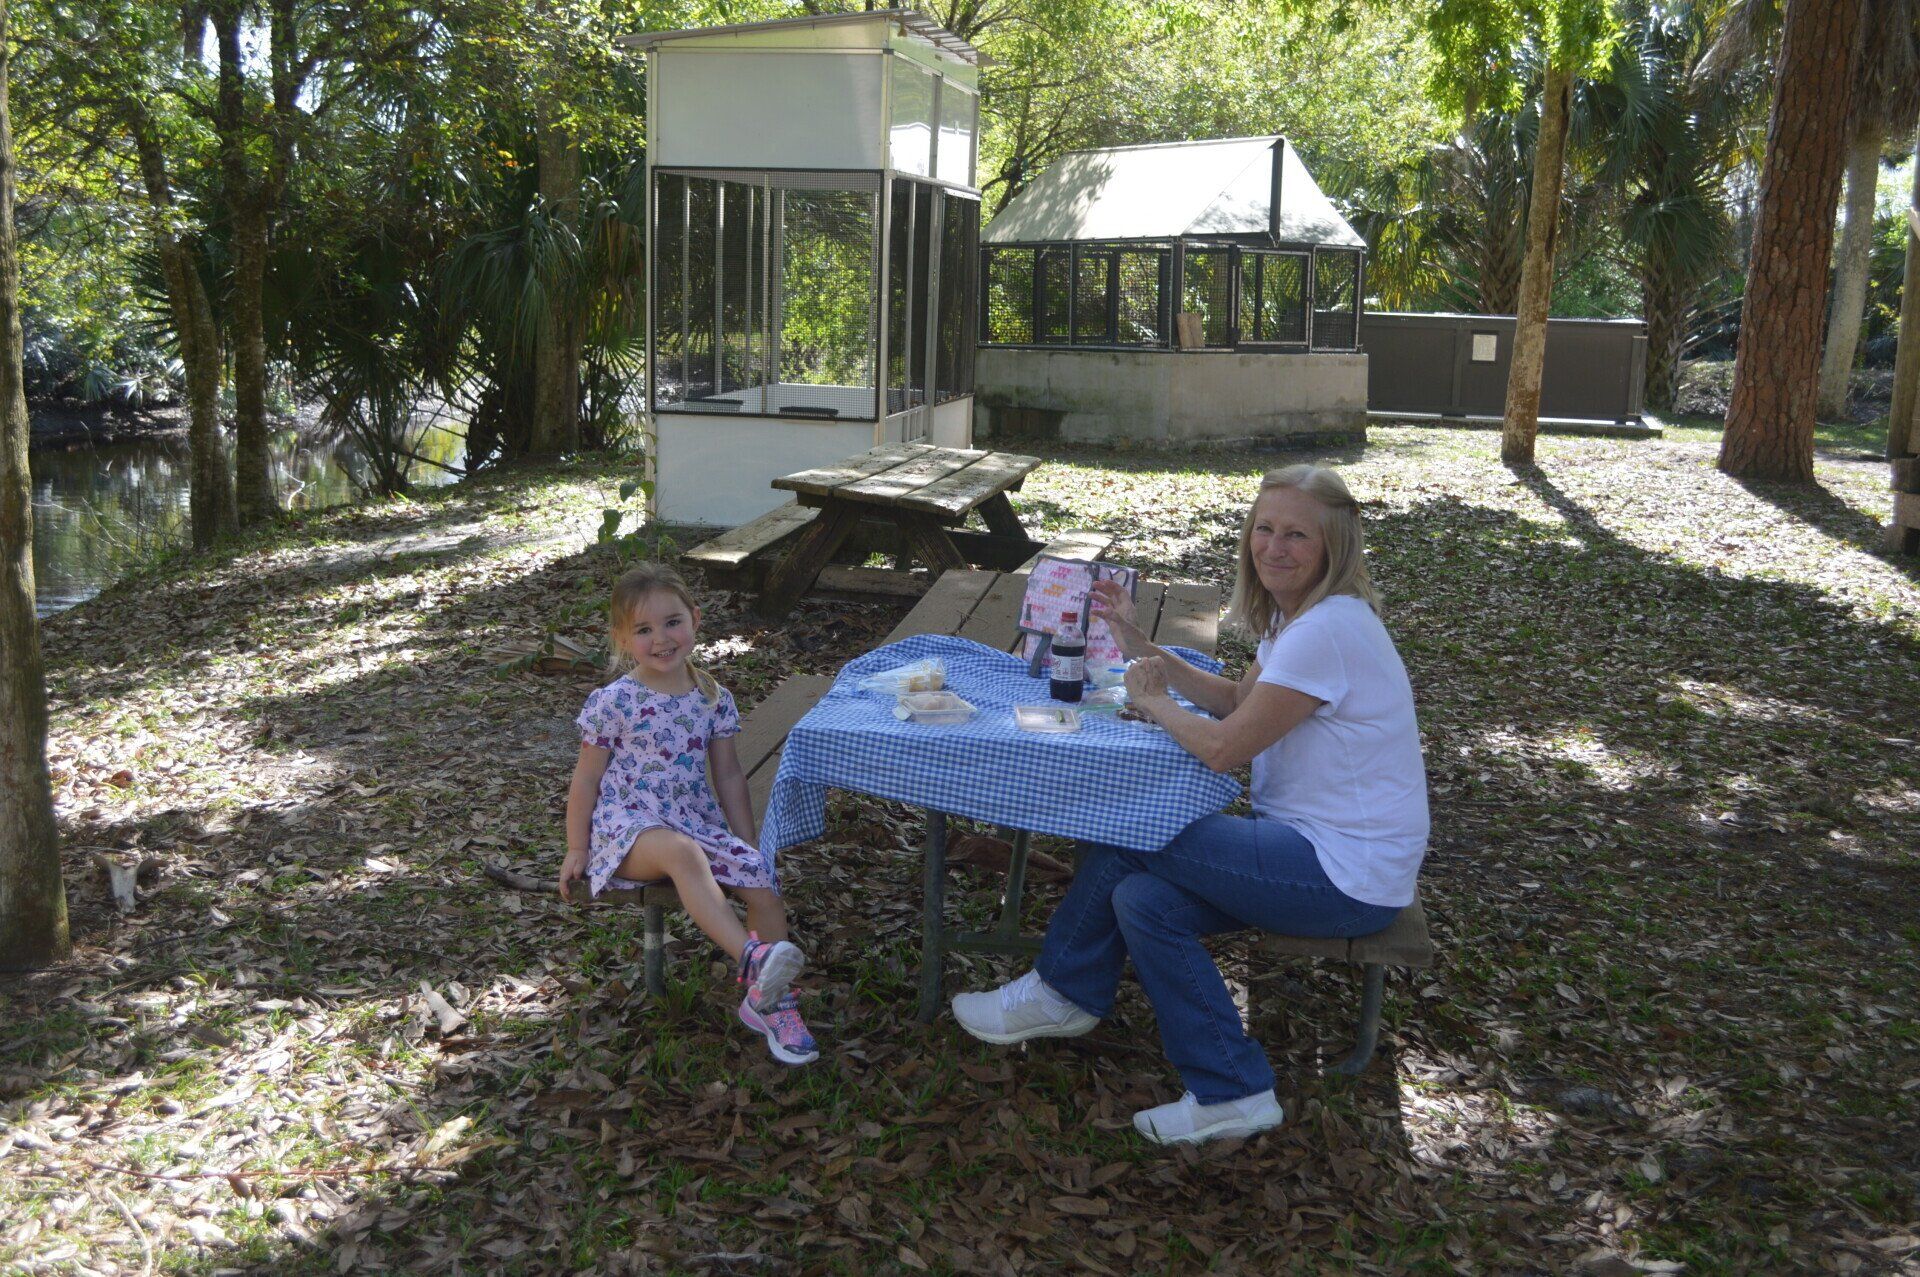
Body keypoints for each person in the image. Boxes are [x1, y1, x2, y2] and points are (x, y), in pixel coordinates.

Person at [951, 465, 1428, 1144]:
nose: (1274, 546)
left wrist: (1152, 701)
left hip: (1344, 874)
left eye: (1296, 534)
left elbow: (1223, 746)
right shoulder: (1305, 621)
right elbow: (1239, 700)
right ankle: (1232, 1088)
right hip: (1322, 857)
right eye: (1264, 529)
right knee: (1143, 899)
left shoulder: (1328, 631)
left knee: (1130, 826)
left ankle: (1061, 989)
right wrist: (1139, 648)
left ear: (1334, 547)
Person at [559, 563, 818, 1066]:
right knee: (682, 853)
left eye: (672, 622)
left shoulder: (712, 697)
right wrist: (576, 846)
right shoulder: (614, 702)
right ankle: (751, 958)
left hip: (692, 820)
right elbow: (586, 778)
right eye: (643, 629)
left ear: (695, 621)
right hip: (628, 830)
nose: (662, 638)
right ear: (622, 638)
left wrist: (746, 842)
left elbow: (727, 777)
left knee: (762, 884)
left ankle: (769, 1002)